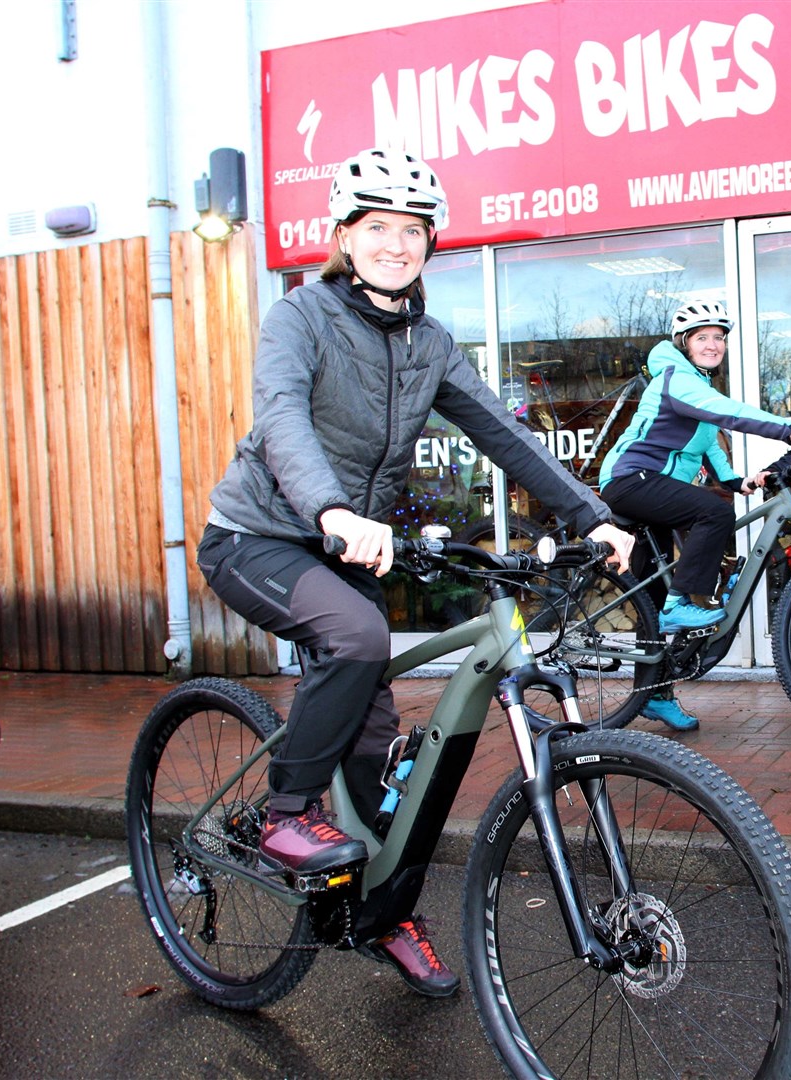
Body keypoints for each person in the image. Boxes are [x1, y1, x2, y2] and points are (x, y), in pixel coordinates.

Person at [195, 147, 634, 997]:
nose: (395, 244)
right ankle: (282, 816)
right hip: (259, 535)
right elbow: (282, 416)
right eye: (377, 227)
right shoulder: (301, 316)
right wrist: (330, 510)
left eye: (411, 230)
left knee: (387, 760)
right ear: (345, 235)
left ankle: (385, 915)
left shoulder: (429, 342)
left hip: (346, 548)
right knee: (356, 635)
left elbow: (505, 437)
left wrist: (593, 515)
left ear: (429, 243)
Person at [598, 300, 791, 731]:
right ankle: (683, 603)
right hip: (631, 480)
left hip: (653, 487)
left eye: (719, 337)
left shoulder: (696, 384)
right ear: (684, 343)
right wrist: (787, 429)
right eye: (703, 337)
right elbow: (728, 414)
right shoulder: (676, 377)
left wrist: (739, 482)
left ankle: (656, 695)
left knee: (652, 603)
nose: (713, 344)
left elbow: (709, 444)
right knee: (713, 515)